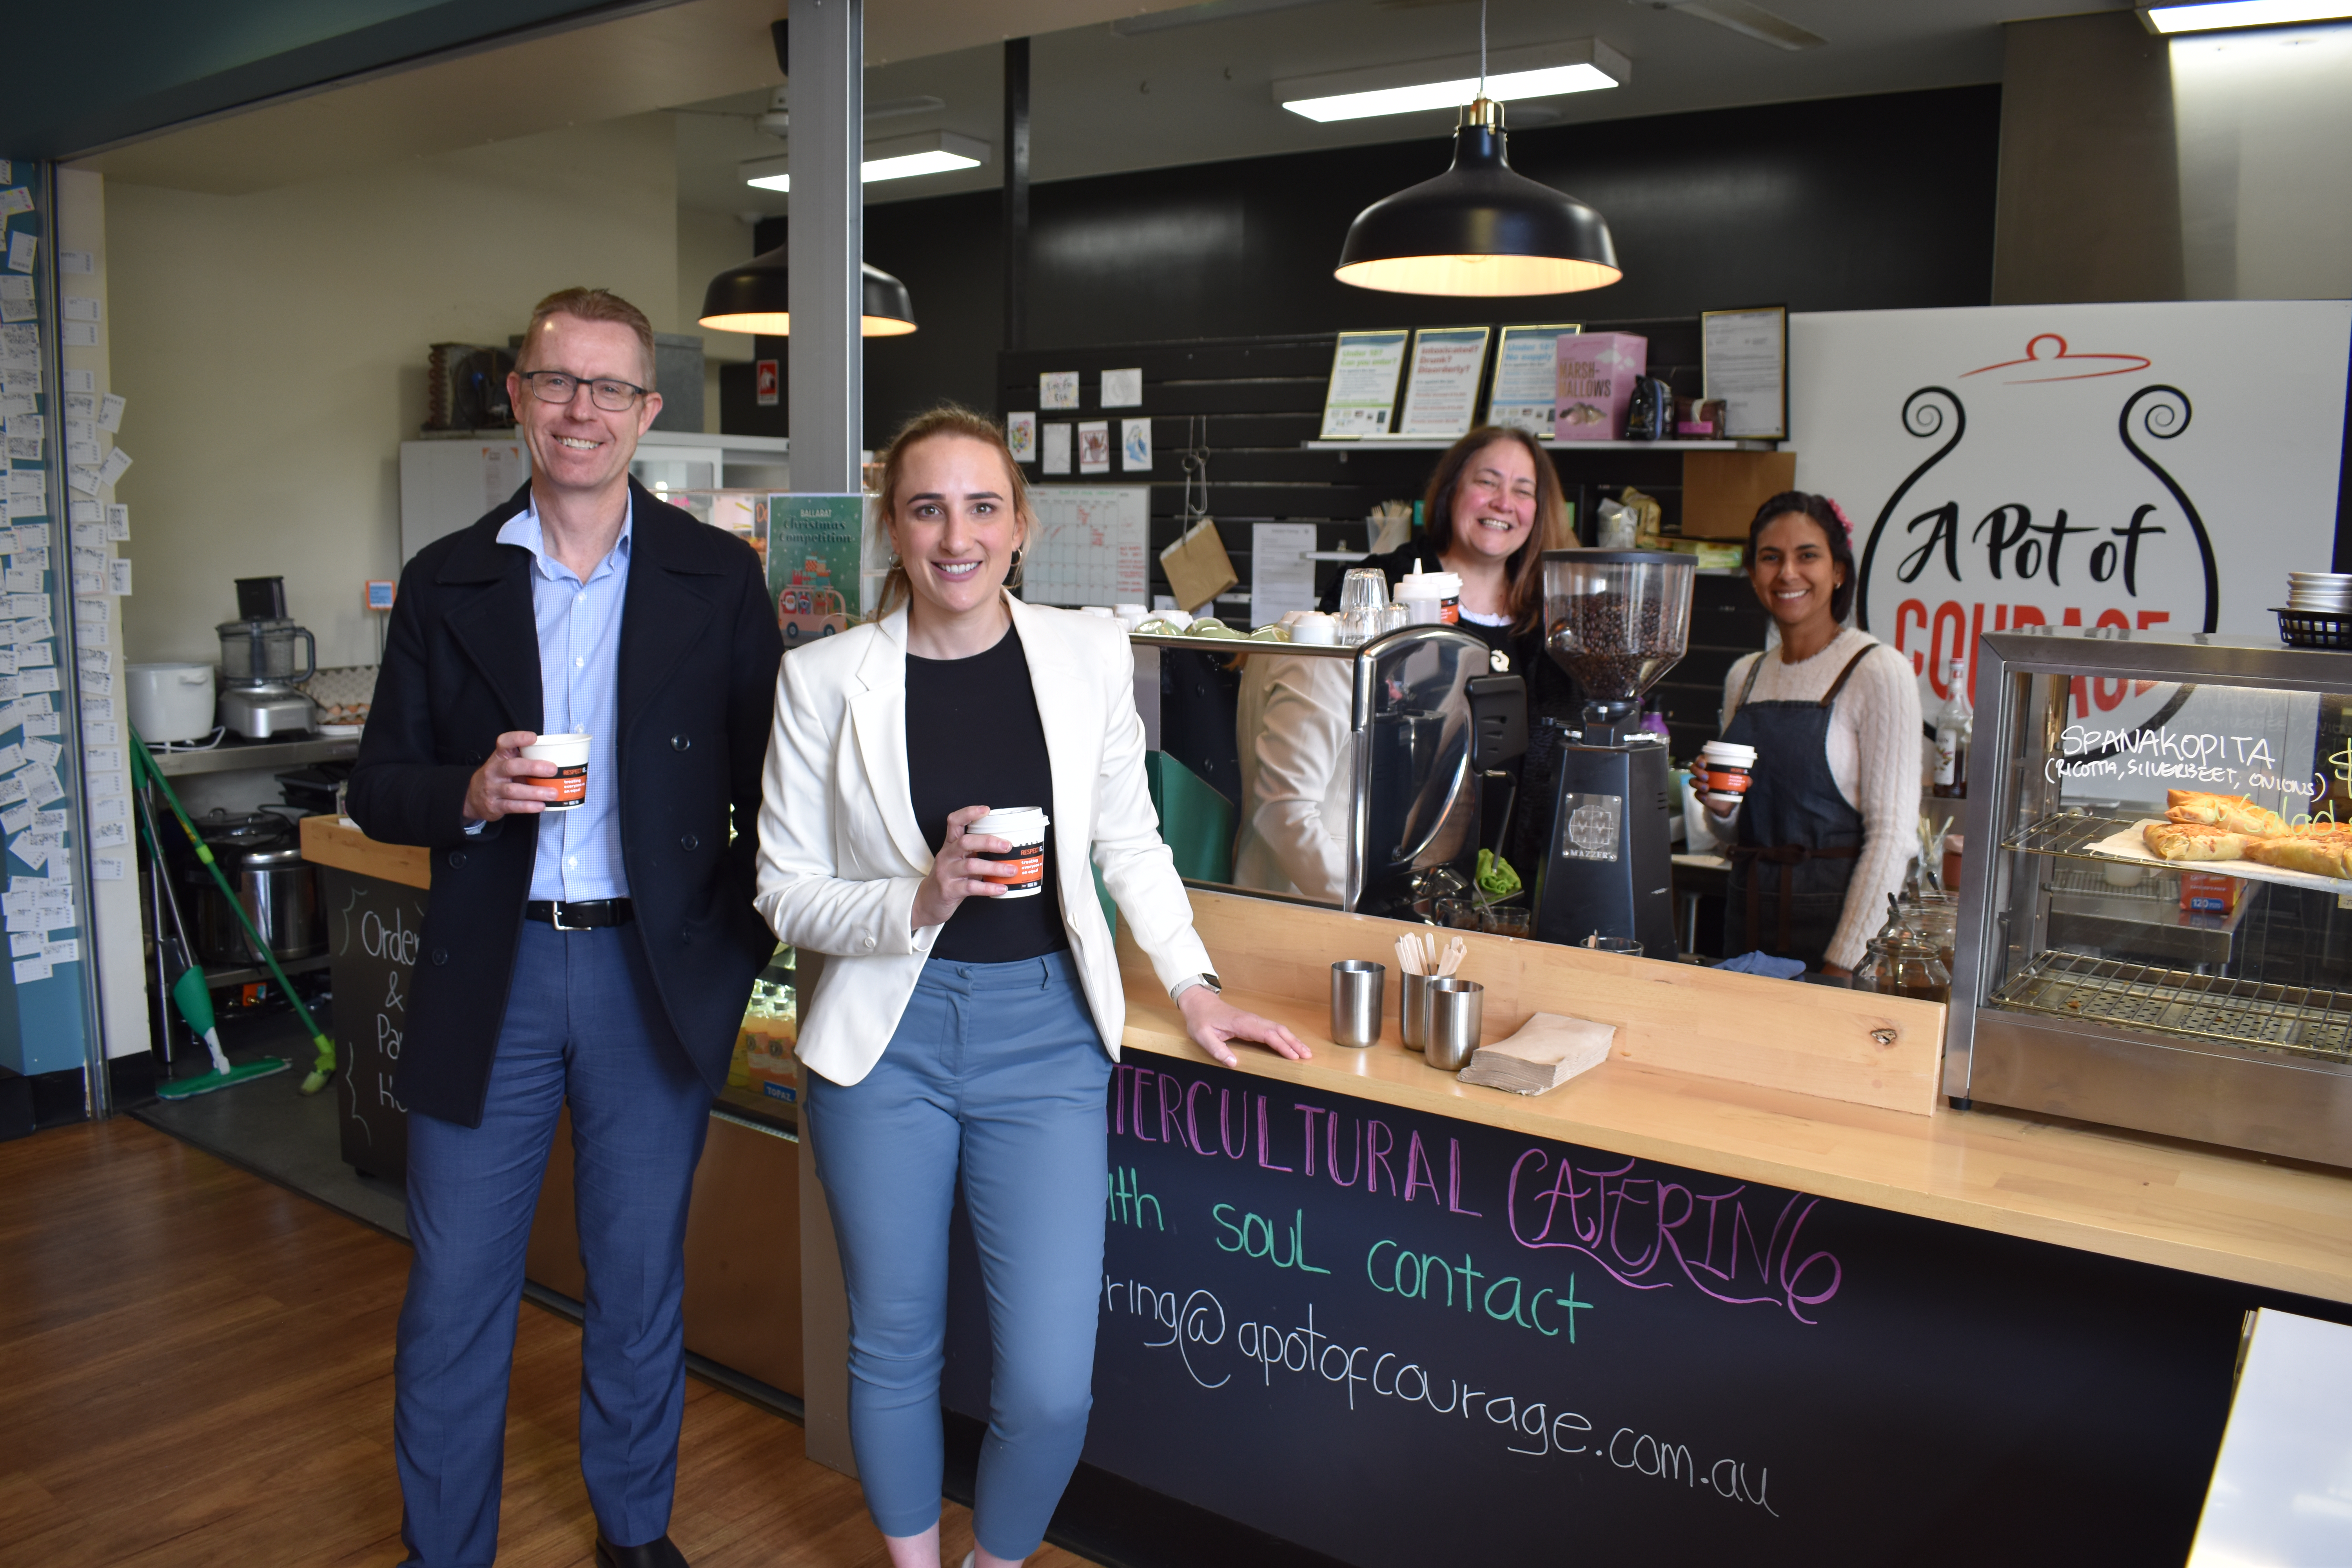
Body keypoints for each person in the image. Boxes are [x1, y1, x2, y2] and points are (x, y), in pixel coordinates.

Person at [756, 406, 1308, 1568]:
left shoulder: (1085, 652)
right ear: (893, 531)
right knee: (893, 1345)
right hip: (883, 1044)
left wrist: (1194, 982)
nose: (954, 534)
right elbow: (782, 890)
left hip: (1047, 1040)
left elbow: (1129, 842)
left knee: (1052, 1383)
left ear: (1021, 526)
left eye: (980, 506)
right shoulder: (819, 679)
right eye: (925, 507)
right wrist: (920, 893)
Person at [349, 287, 783, 1568]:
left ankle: (634, 1535)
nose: (580, 410)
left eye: (610, 389)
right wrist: (469, 793)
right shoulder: (449, 580)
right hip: (496, 969)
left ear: (648, 413)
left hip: (656, 979)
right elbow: (379, 785)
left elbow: (778, 793)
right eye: (557, 383)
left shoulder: (719, 576)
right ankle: (446, 1551)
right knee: (453, 1300)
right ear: (520, 399)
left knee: (639, 1290)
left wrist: (730, 949)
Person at [1318, 423, 1578, 876]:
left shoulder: (1556, 626)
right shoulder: (1377, 586)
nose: (1503, 502)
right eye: (1487, 481)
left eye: (1523, 490)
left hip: (1512, 882)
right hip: (1380, 866)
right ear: (1452, 489)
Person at [1715, 491, 1921, 976]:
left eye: (1807, 555)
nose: (1788, 573)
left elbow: (1893, 836)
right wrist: (1720, 810)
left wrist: (1844, 961)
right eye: (1771, 558)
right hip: (1746, 927)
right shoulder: (1744, 676)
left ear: (1838, 571)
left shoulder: (1879, 670)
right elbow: (1731, 827)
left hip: (1835, 938)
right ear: (1753, 573)